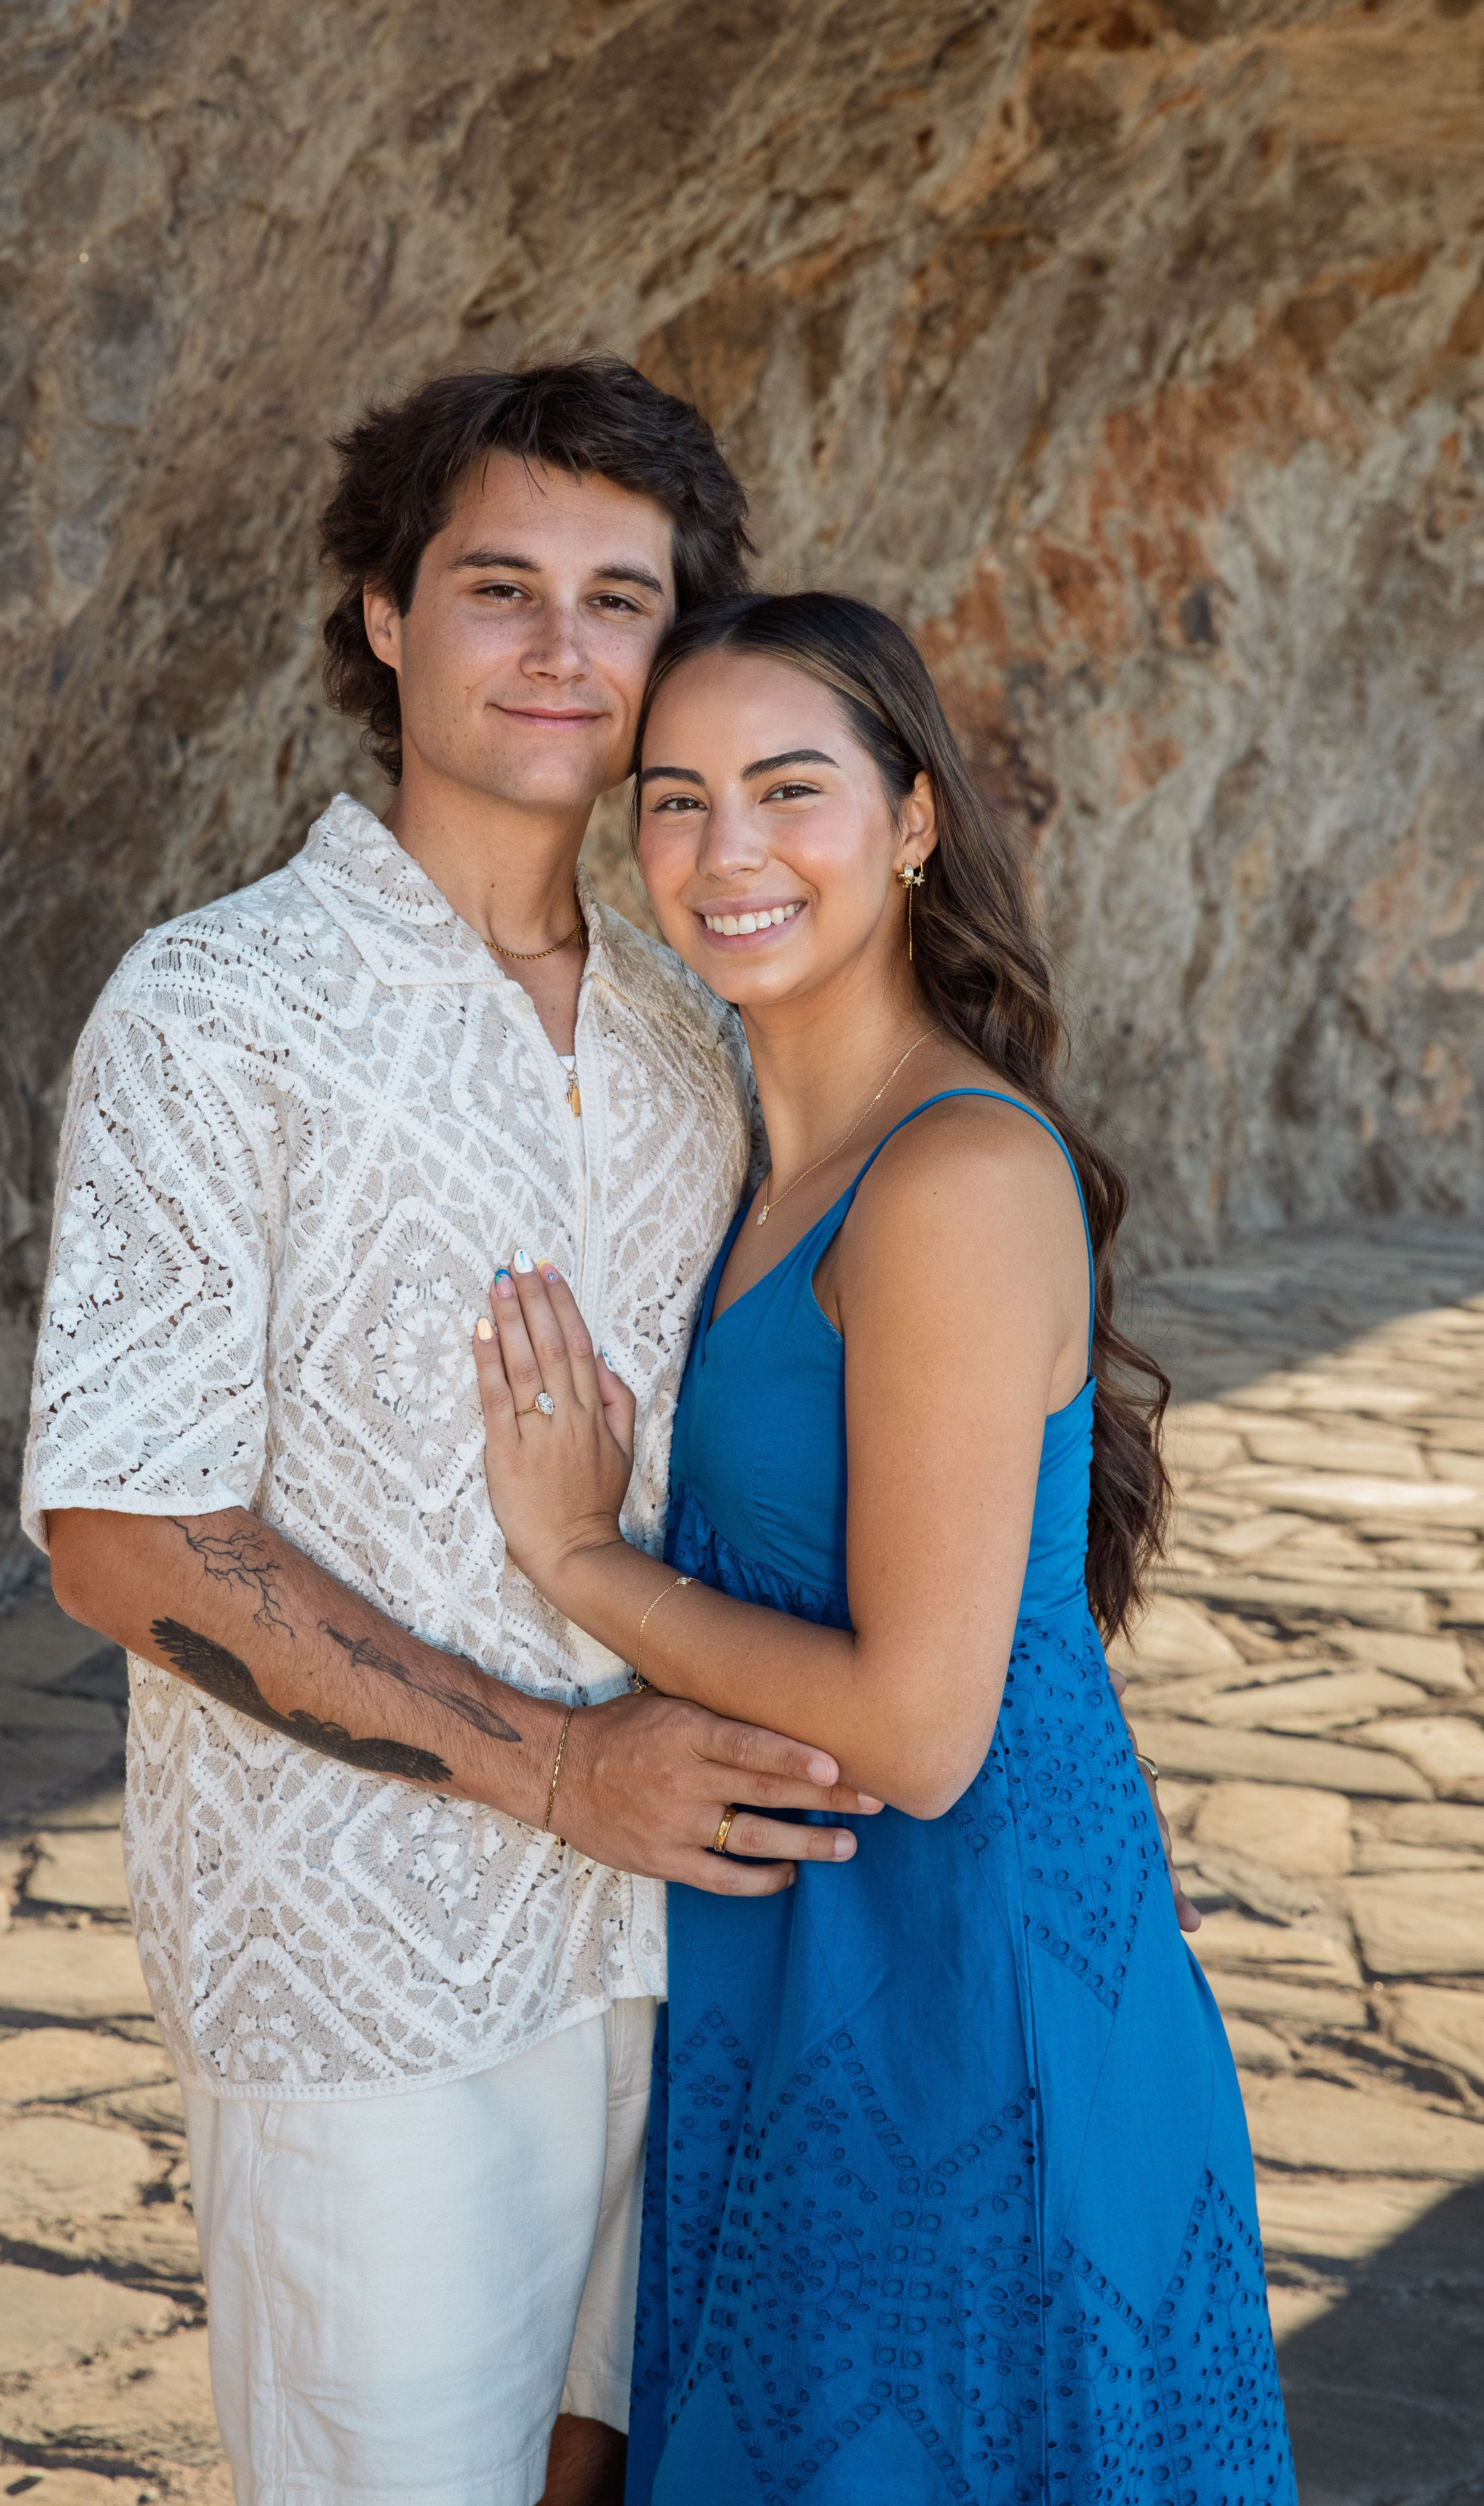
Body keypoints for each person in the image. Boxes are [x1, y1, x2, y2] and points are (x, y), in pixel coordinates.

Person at [22, 362, 886, 2506]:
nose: (563, 648)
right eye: (501, 586)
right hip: (361, 1972)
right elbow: (127, 1541)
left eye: (622, 599)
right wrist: (560, 1771)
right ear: (389, 619)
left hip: (687, 1948)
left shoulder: (708, 1020)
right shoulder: (220, 1009)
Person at [471, 592, 1296, 2503]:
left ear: (914, 820)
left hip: (964, 1986)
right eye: (673, 802)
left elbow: (923, 1728)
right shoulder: (777, 1163)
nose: (725, 852)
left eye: (789, 789)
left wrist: (584, 1566)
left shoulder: (951, 1177)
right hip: (815, 1951)